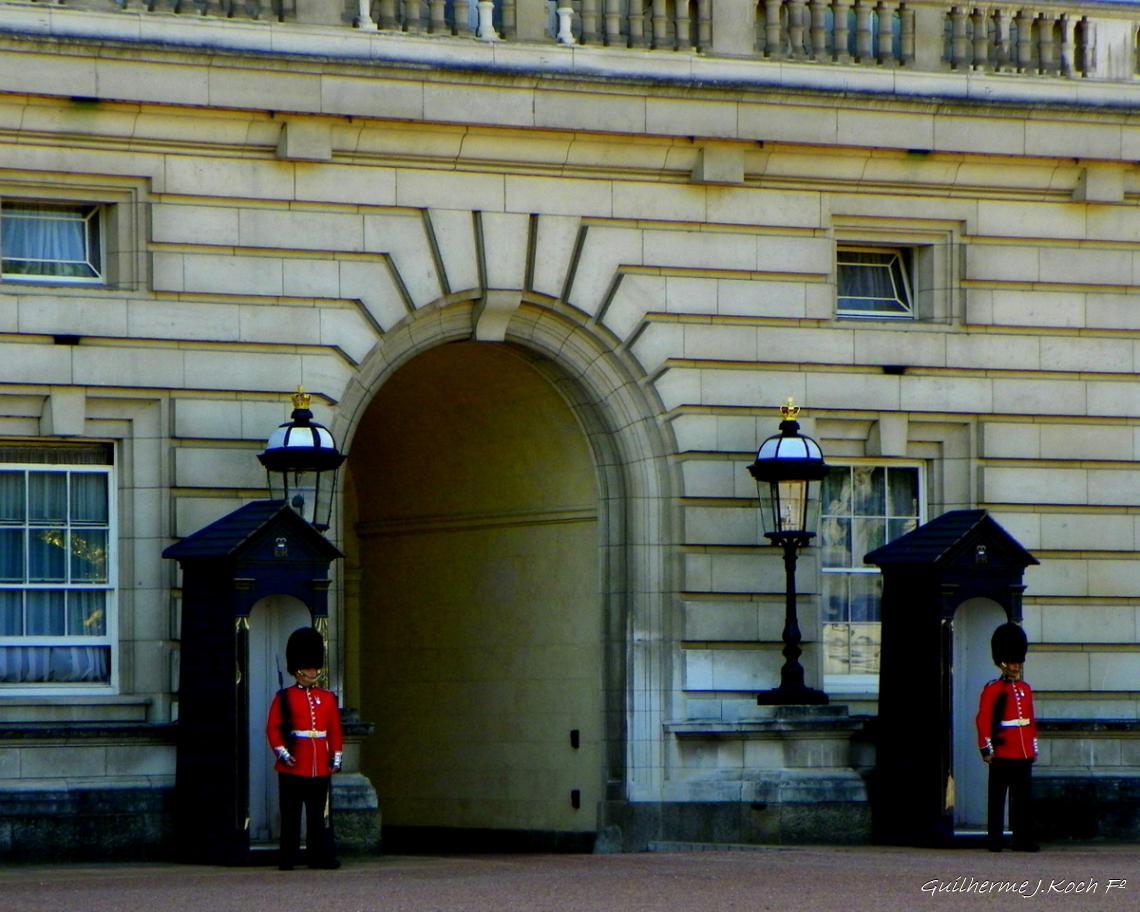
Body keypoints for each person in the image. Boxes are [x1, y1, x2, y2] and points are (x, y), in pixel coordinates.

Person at [266, 626, 344, 870]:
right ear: (298, 670)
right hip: (293, 764)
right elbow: (272, 728)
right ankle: (287, 857)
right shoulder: (285, 697)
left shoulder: (327, 698)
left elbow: (333, 730)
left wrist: (336, 757)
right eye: (309, 667)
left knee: (316, 816)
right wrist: (283, 752)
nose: (313, 671)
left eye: (314, 666)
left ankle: (317, 855)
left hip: (318, 763)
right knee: (290, 815)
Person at [976, 621, 1038, 853]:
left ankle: (1022, 839)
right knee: (997, 799)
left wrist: (1032, 748)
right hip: (1003, 751)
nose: (1016, 666)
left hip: (1021, 752)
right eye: (1013, 662)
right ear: (1003, 663)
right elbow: (983, 720)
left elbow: (1030, 721)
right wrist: (986, 748)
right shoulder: (993, 689)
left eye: (1018, 661)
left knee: (1022, 800)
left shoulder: (1025, 689)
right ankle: (995, 839)